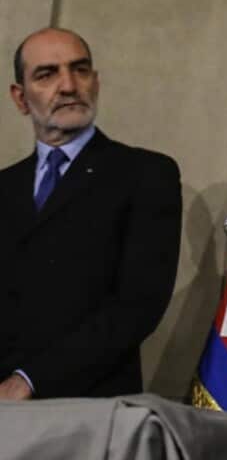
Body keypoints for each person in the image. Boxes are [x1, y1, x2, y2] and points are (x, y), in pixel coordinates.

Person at [0, 27, 181, 400]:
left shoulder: (145, 173)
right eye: (47, 74)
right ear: (20, 98)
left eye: (79, 70)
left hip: (92, 410)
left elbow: (138, 304)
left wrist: (30, 380)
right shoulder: (4, 186)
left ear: (95, 82)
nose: (68, 85)